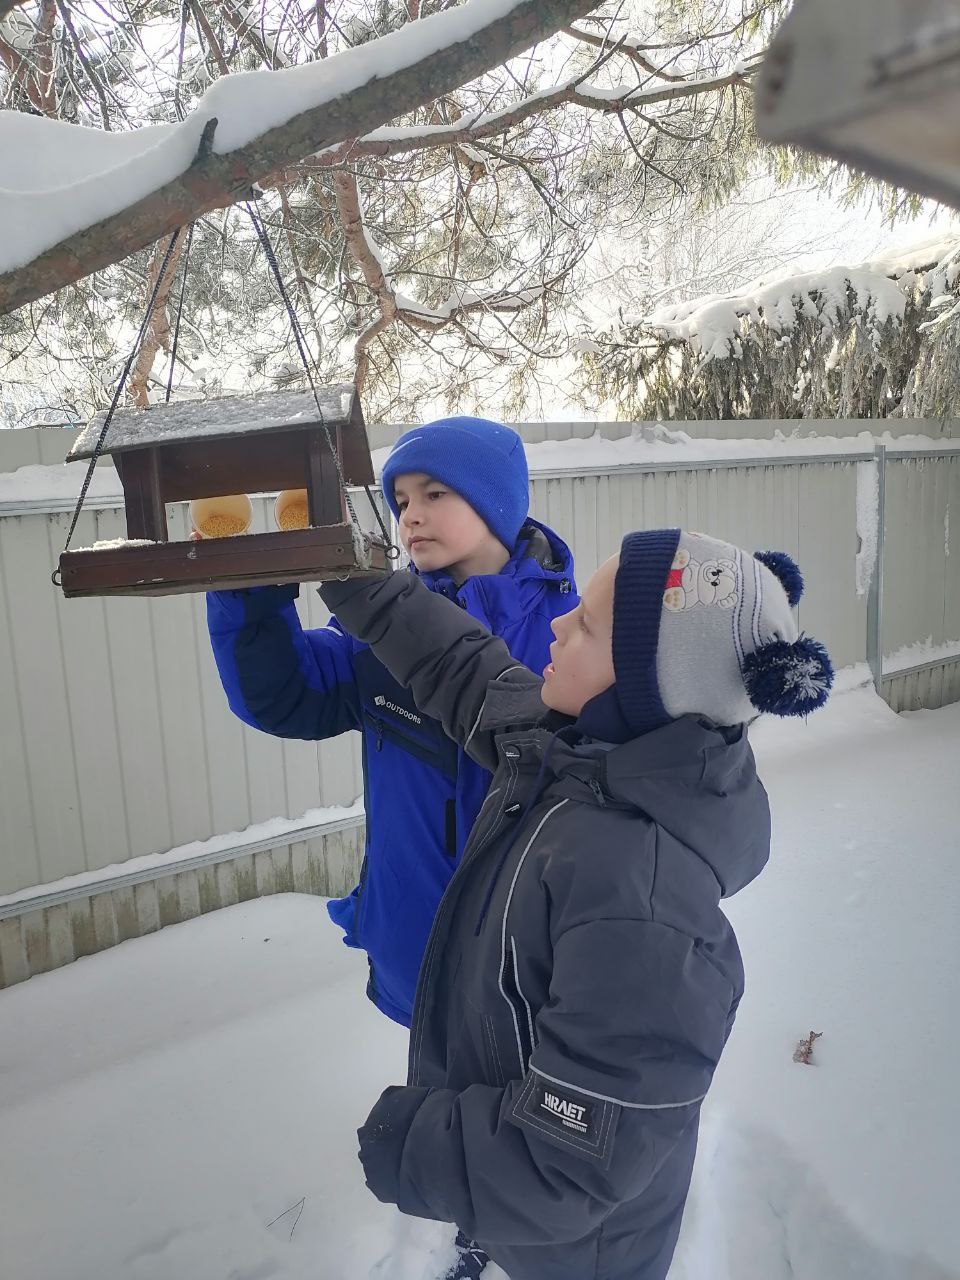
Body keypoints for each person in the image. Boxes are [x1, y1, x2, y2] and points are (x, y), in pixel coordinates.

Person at [317, 529, 833, 1280]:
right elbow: (461, 667)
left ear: (649, 686)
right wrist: (356, 579)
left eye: (587, 624)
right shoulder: (577, 751)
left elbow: (566, 1163)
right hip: (513, 1207)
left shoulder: (643, 902)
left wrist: (412, 1144)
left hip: (579, 1254)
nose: (559, 625)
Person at [205, 416, 578, 1027]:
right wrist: (248, 590)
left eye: (435, 494)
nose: (411, 516)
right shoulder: (381, 636)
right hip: (415, 949)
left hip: (531, 968)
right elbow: (285, 696)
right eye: (401, 501)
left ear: (496, 503)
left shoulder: (570, 636)